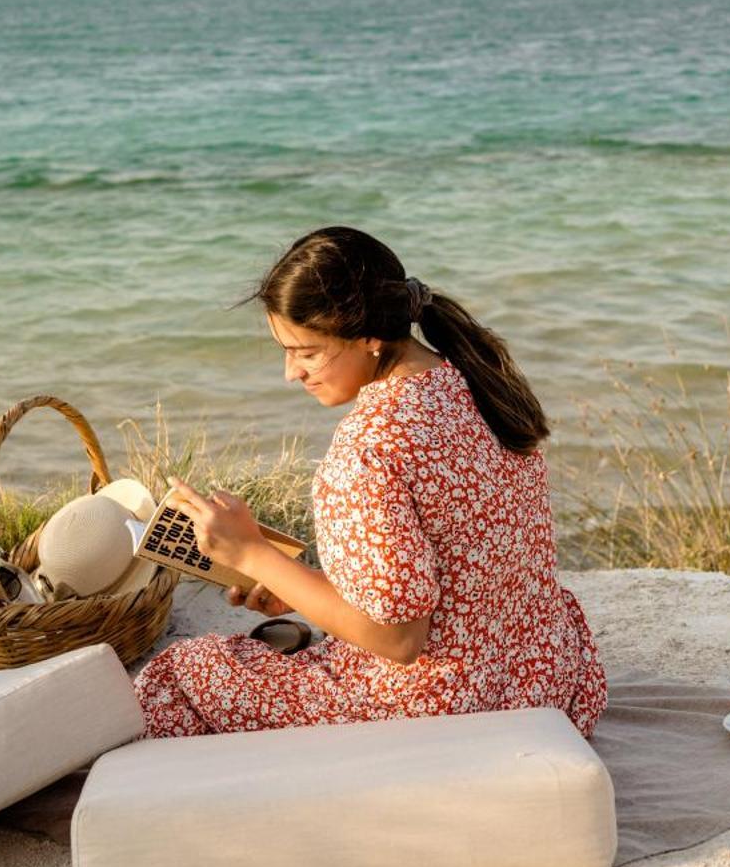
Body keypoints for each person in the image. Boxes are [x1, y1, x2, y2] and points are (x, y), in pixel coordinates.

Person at [132, 225, 608, 740]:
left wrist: (253, 556)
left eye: (307, 352)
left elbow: (401, 641)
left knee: (179, 676)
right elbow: (454, 564)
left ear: (369, 338)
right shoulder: (477, 385)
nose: (291, 373)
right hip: (542, 677)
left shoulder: (368, 451)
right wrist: (299, 589)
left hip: (449, 710)